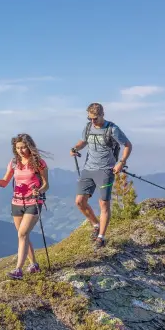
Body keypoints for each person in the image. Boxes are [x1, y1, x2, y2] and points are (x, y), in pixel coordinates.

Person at [0, 133, 50, 280]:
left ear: (29, 147)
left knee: (22, 234)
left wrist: (38, 190)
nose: (21, 151)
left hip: (34, 202)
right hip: (16, 203)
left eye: (23, 147)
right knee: (24, 235)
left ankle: (18, 270)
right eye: (17, 148)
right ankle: (34, 265)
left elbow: (46, 185)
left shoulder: (39, 163)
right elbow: (4, 182)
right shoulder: (14, 162)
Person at [70, 102, 132, 249]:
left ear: (102, 115)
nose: (92, 121)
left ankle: (101, 237)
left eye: (95, 118)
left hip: (105, 170)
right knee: (79, 201)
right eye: (90, 118)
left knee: (103, 203)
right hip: (88, 168)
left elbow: (128, 145)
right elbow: (83, 141)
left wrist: (121, 162)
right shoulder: (88, 127)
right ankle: (96, 224)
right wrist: (75, 148)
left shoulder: (112, 129)